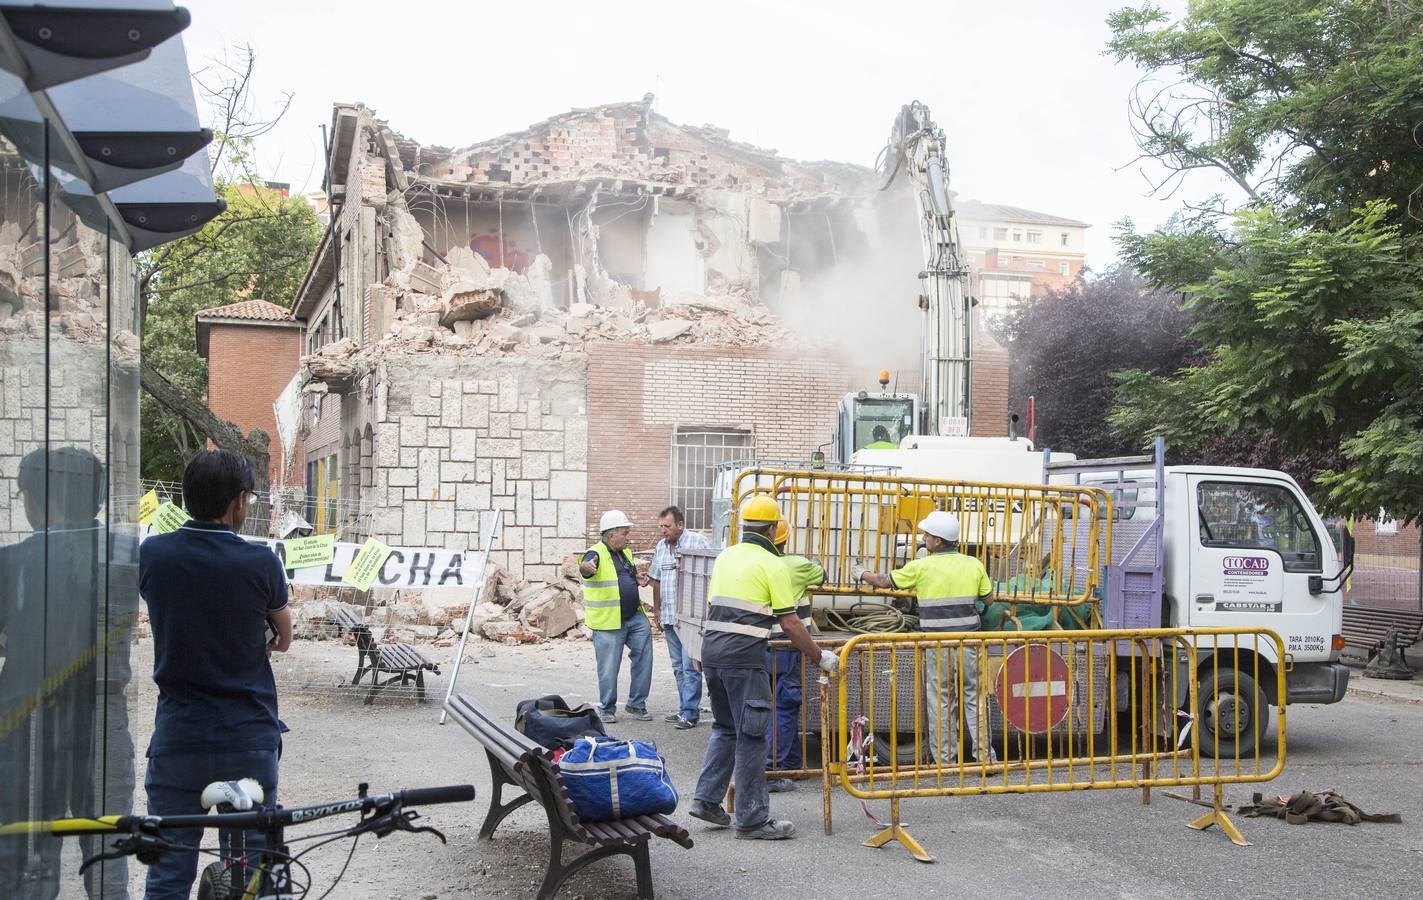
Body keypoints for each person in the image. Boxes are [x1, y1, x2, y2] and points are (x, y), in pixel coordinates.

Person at [139, 450, 293, 899]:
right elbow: (283, 637)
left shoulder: (154, 554)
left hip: (178, 737)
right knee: (249, 870)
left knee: (168, 871)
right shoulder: (261, 562)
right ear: (239, 502)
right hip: (247, 736)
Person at [0, 447, 138, 899]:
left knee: (29, 852)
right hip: (106, 713)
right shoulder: (125, 551)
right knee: (107, 852)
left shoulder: (15, 560)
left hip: (29, 720)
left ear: (42, 501)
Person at [688, 495, 838, 841]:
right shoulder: (774, 564)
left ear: (744, 526)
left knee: (726, 730)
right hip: (744, 659)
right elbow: (790, 623)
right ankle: (752, 819)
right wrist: (820, 657)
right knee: (753, 737)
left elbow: (713, 608)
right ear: (773, 529)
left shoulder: (726, 556)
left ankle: (707, 801)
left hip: (713, 654)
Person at [857, 511, 997, 765]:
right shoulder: (974, 564)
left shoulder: (921, 567)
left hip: (938, 644)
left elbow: (883, 581)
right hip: (970, 643)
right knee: (975, 700)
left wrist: (862, 573)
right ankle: (985, 760)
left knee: (941, 701)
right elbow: (988, 598)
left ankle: (945, 762)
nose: (923, 539)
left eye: (927, 536)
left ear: (939, 541)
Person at [765, 518, 826, 790]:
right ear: (785, 540)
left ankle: (791, 764)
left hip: (762, 645)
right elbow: (821, 575)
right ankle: (773, 769)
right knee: (786, 706)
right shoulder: (795, 565)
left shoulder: (758, 565)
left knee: (775, 706)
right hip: (788, 645)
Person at [579, 510, 653, 723]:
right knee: (609, 667)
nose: (627, 537)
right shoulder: (595, 554)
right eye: (624, 533)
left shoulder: (625, 553)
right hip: (609, 620)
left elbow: (625, 575)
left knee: (644, 658)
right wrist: (586, 568)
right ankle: (607, 708)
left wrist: (636, 578)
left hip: (634, 617)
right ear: (610, 535)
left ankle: (636, 704)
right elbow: (585, 568)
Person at [648, 505, 711, 729]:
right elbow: (656, 580)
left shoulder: (698, 543)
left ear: (680, 525)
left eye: (667, 526)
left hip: (691, 618)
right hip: (668, 616)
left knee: (690, 665)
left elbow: (710, 576)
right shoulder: (661, 547)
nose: (663, 530)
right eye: (661, 526)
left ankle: (690, 712)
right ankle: (685, 708)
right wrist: (656, 610)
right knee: (677, 666)